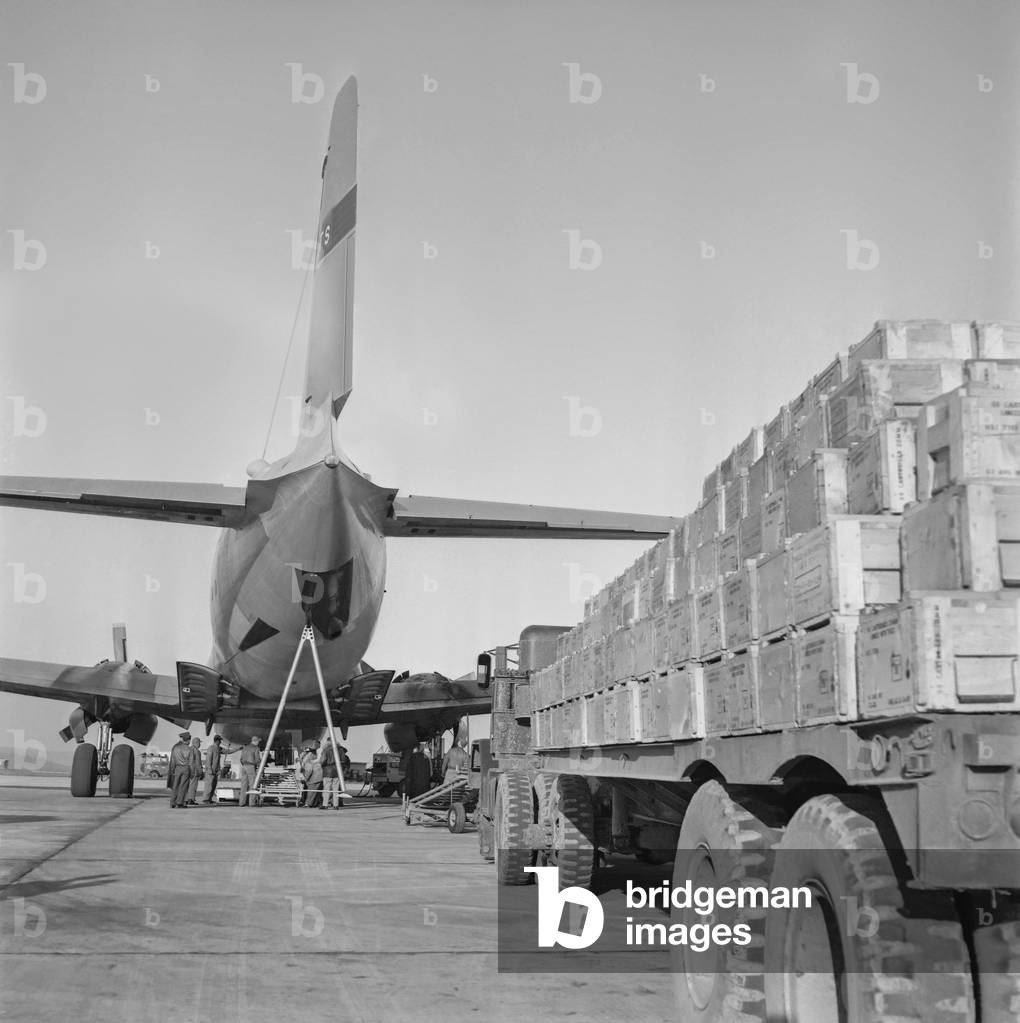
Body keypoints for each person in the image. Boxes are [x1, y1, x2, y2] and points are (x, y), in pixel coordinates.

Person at [201, 735, 238, 804]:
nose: (220, 742)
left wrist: (237, 749)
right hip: (210, 770)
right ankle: (205, 799)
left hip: (216, 770)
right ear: (217, 741)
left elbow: (228, 751)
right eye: (220, 741)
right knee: (209, 785)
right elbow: (208, 759)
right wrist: (209, 769)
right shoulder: (211, 748)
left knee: (213, 785)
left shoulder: (219, 749)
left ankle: (209, 798)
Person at [168, 731, 193, 808]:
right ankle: (180, 802)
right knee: (183, 786)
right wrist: (191, 772)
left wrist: (172, 770)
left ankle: (172, 802)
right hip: (186, 768)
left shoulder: (176, 748)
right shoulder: (189, 749)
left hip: (177, 768)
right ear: (188, 740)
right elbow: (191, 762)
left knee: (175, 786)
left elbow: (172, 760)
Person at [239, 736, 262, 806]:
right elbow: (257, 759)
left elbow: (241, 758)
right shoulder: (256, 748)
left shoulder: (245, 747)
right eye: (258, 741)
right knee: (252, 785)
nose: (259, 742)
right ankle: (252, 803)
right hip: (251, 766)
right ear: (256, 741)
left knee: (243, 785)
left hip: (243, 766)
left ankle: (241, 802)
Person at [302, 741, 323, 808]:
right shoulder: (315, 757)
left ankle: (308, 804)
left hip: (315, 777)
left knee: (311, 791)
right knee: (317, 791)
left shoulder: (308, 759)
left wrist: (306, 778)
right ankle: (316, 803)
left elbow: (309, 770)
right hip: (320, 776)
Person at [320, 741, 341, 809]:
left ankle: (325, 804)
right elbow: (343, 760)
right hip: (337, 771)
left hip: (327, 771)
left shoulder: (326, 750)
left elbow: (323, 761)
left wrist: (322, 765)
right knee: (336, 789)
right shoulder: (340, 750)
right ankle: (336, 805)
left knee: (327, 788)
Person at [184, 737, 203, 805]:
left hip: (192, 771)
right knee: (193, 786)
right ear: (196, 743)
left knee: (189, 786)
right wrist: (194, 771)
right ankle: (190, 799)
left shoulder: (193, 749)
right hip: (194, 772)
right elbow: (192, 761)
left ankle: (187, 799)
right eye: (199, 743)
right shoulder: (193, 750)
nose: (200, 744)